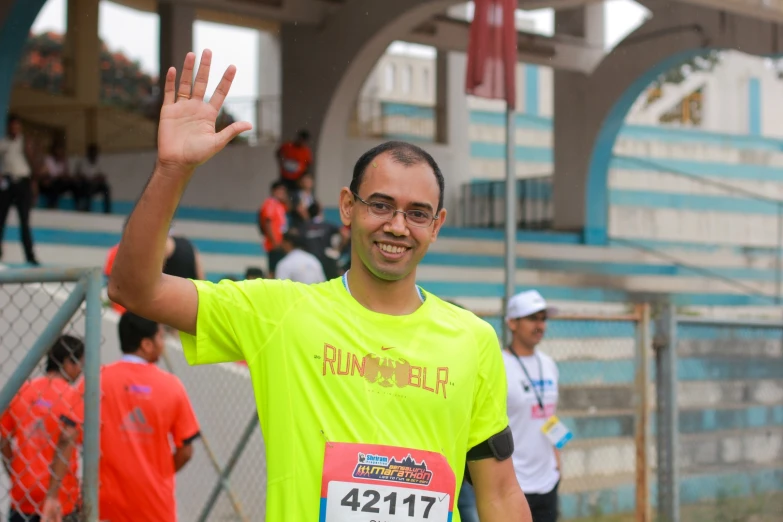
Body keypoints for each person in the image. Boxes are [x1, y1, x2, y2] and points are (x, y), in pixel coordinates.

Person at [106, 49, 532, 522]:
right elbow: (133, 289)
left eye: (417, 213)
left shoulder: (472, 339)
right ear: (347, 207)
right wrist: (172, 171)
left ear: (437, 225)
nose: (397, 225)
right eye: (381, 205)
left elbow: (499, 494)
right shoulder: (279, 312)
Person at [47, 313, 201, 522]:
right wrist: (159, 474)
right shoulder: (172, 386)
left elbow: (68, 434)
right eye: (160, 337)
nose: (163, 343)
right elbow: (186, 451)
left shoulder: (97, 380)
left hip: (105, 508)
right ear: (146, 344)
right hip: (155, 508)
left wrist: (52, 495)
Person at [0, 335, 84, 522]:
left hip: (23, 494)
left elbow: (2, 436)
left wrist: (14, 470)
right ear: (69, 362)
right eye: (80, 364)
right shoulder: (72, 397)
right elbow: (76, 441)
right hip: (60, 501)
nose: (80, 372)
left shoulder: (22, 390)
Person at [504, 290, 564, 522]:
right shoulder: (498, 365)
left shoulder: (548, 364)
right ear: (512, 323)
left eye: (543, 318)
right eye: (532, 318)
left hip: (548, 480)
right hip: (513, 483)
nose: (539, 325)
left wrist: (557, 463)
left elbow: (550, 416)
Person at [0, 114, 38, 265]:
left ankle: (30, 255)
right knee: (1, 220)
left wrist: (34, 184)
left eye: (17, 126)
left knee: (24, 221)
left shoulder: (26, 142)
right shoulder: (4, 143)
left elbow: (34, 162)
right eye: (12, 126)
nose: (15, 129)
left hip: (23, 183)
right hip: (8, 183)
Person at [258, 180, 289, 277]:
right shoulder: (270, 203)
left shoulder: (280, 204)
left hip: (280, 243)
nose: (282, 194)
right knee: (273, 270)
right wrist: (274, 241)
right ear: (273, 191)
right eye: (280, 191)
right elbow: (268, 221)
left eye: (284, 192)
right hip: (274, 243)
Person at [73, 143, 111, 213]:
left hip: (96, 184)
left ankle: (107, 211)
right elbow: (82, 176)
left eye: (95, 153)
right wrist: (92, 179)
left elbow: (103, 176)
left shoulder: (100, 161)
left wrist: (96, 179)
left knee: (106, 188)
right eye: (92, 152)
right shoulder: (83, 161)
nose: (93, 154)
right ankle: (87, 209)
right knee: (88, 186)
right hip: (86, 185)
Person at [276, 129, 312, 194]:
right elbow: (278, 153)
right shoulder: (287, 146)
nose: (302, 142)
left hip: (297, 179)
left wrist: (303, 177)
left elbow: (308, 164)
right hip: (285, 176)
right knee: (284, 194)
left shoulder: (306, 151)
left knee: (296, 195)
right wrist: (281, 163)